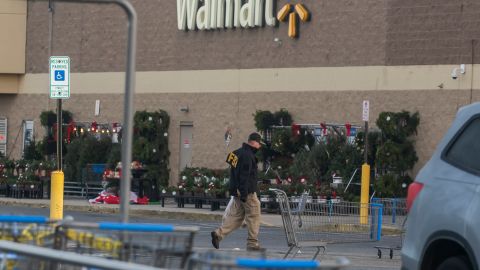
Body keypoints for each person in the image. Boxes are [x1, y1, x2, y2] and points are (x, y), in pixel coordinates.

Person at [211, 132, 263, 251]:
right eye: (259, 144)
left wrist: (236, 191)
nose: (259, 147)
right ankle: (252, 243)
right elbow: (244, 176)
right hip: (247, 192)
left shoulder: (236, 153)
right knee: (254, 215)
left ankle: (218, 234)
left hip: (236, 191)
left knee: (236, 218)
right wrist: (244, 194)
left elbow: (233, 173)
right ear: (254, 142)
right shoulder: (248, 156)